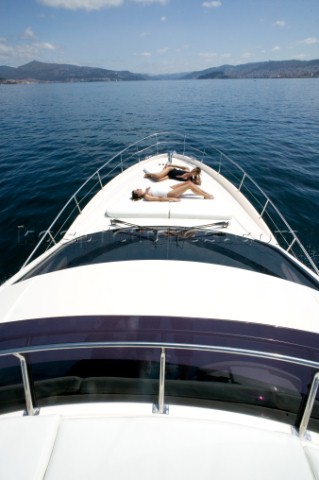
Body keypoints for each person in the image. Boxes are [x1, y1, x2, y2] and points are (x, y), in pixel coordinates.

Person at [131, 180, 214, 201]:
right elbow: (158, 199)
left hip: (169, 188)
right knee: (189, 185)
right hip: (169, 193)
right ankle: (205, 196)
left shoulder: (146, 191)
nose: (138, 189)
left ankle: (204, 192)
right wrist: (172, 199)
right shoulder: (146, 196)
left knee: (188, 182)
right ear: (138, 195)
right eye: (136, 191)